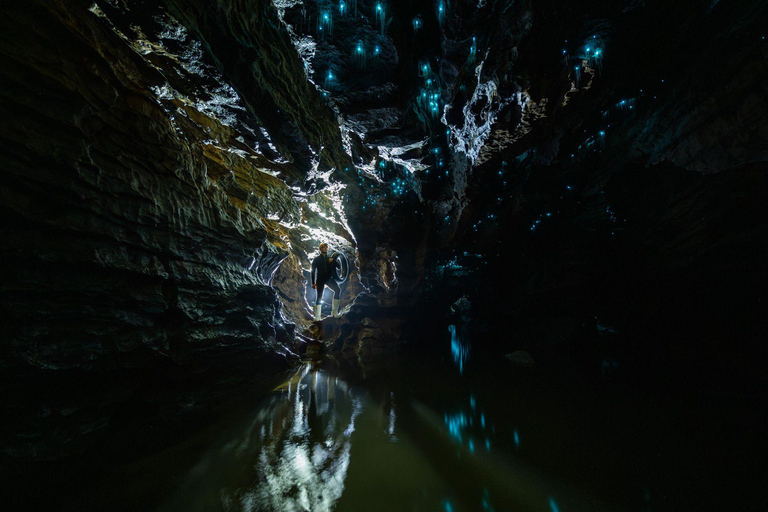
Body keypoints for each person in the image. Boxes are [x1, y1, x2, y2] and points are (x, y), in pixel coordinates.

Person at [311, 243, 341, 320]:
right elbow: (313, 271)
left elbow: (338, 267)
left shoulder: (330, 258)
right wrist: (313, 283)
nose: (323, 249)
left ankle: (334, 313)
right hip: (320, 279)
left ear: (327, 247)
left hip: (329, 279)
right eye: (321, 247)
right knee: (319, 296)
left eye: (324, 247)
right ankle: (317, 317)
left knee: (337, 290)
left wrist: (333, 261)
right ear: (319, 249)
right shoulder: (316, 259)